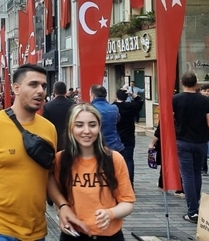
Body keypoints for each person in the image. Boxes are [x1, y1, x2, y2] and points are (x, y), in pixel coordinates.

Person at [0, 64, 87, 241]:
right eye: (33, 84)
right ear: (16, 88)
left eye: (43, 86)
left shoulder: (48, 129)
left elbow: (48, 174)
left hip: (36, 230)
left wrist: (62, 204)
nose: (41, 91)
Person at [54, 103, 135, 240]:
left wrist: (110, 213)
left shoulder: (114, 159)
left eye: (92, 125)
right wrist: (62, 215)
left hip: (109, 236)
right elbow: (59, 200)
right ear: (70, 128)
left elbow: (127, 202)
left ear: (99, 127)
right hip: (74, 235)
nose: (86, 131)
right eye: (79, 125)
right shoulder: (61, 160)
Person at [172, 71, 209, 223]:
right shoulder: (205, 101)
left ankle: (192, 211)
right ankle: (195, 206)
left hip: (182, 141)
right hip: (201, 142)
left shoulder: (176, 99)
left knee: (187, 175)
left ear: (182, 83)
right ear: (196, 84)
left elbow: (169, 120)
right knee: (197, 173)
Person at [113, 89, 143, 184]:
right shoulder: (131, 106)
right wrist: (132, 93)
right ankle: (130, 182)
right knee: (129, 159)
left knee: (115, 160)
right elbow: (139, 101)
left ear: (116, 96)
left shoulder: (113, 107)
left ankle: (117, 181)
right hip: (129, 136)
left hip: (116, 137)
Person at [90, 85, 124, 153]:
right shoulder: (114, 108)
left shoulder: (90, 109)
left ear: (93, 95)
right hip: (114, 144)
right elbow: (118, 120)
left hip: (96, 145)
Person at [43, 81, 74, 152]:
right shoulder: (73, 105)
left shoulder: (47, 106)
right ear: (66, 91)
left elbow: (45, 125)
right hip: (70, 141)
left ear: (54, 92)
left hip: (53, 141)